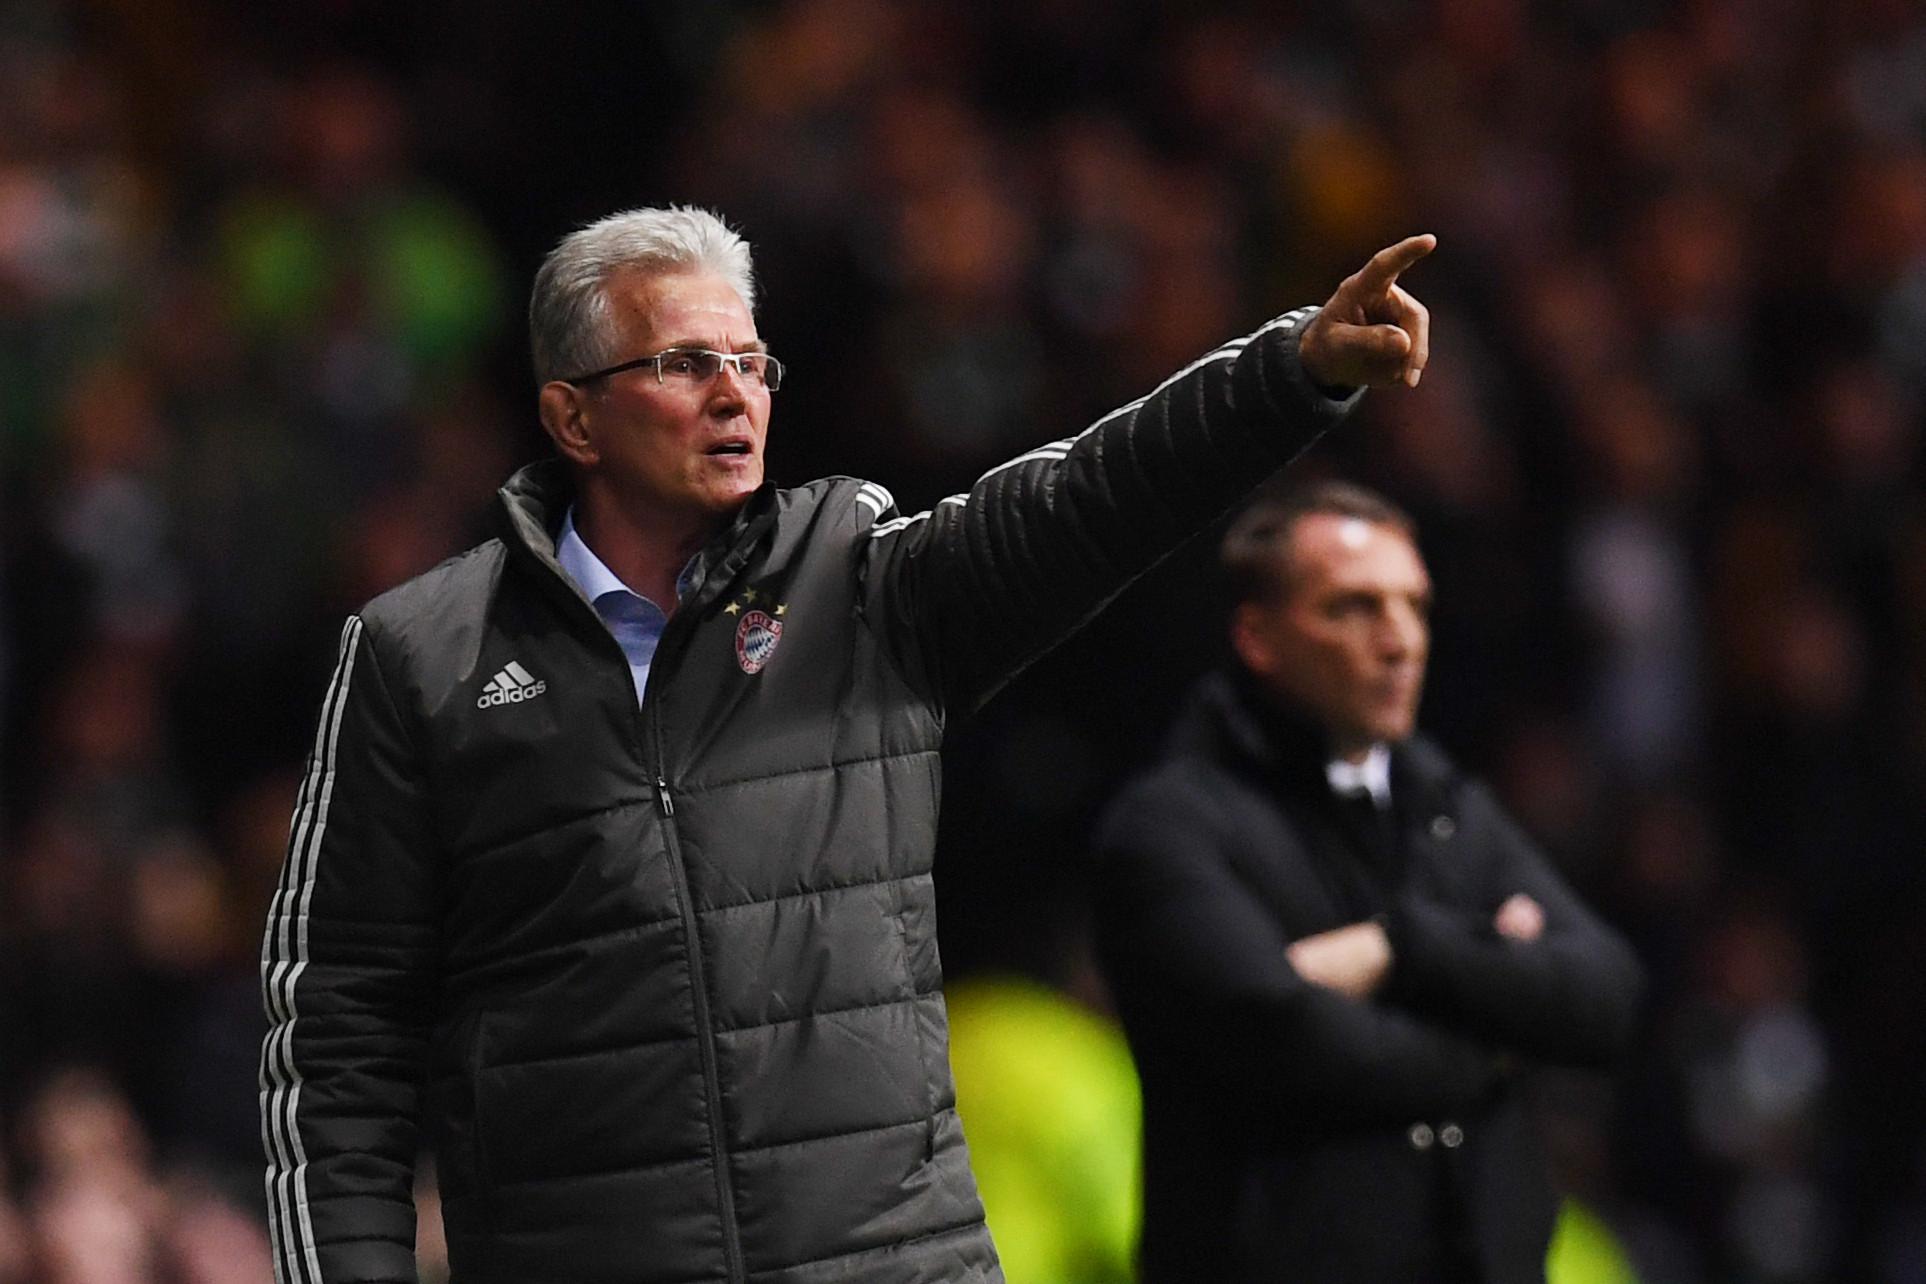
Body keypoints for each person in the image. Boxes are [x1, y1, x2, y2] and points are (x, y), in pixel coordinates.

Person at [258, 204, 1434, 1283]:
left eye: (750, 363)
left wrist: (1291, 372)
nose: (735, 394)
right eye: (683, 363)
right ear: (572, 414)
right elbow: (339, 1036)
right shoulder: (425, 657)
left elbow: (1091, 499)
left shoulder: (859, 588)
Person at [1093, 480, 1644, 1284]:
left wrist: (1400, 949)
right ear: (1258, 637)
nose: (1401, 641)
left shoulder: (1446, 805)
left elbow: (1608, 997)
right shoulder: (1169, 829)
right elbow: (1282, 1041)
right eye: (1354, 607)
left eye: (1414, 606)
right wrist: (1502, 1030)